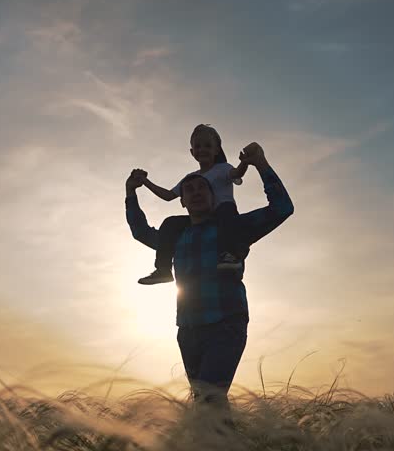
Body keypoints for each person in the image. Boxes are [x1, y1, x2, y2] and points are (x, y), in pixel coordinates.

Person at [125, 142, 293, 410]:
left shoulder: (232, 230)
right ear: (182, 201)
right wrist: (131, 193)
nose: (195, 193)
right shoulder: (175, 236)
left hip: (225, 324)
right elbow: (141, 232)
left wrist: (260, 164)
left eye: (202, 188)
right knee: (207, 405)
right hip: (188, 329)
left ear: (215, 198)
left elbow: (282, 208)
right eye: (189, 190)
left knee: (208, 398)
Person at [134, 124, 249, 285]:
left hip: (223, 214)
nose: (202, 149)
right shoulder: (191, 177)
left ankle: (231, 255)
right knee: (170, 223)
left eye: (207, 146)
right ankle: (163, 269)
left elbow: (237, 173)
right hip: (200, 218)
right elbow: (168, 196)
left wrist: (245, 163)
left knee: (226, 212)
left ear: (216, 150)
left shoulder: (223, 169)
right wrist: (145, 182)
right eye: (198, 146)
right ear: (192, 152)